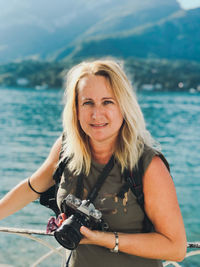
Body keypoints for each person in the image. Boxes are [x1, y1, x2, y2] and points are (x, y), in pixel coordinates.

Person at [0, 59, 187, 267]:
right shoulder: (66, 148)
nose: (96, 114)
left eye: (107, 102)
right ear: (76, 109)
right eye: (87, 103)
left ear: (123, 107)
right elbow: (32, 187)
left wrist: (103, 239)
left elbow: (176, 248)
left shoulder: (147, 165)